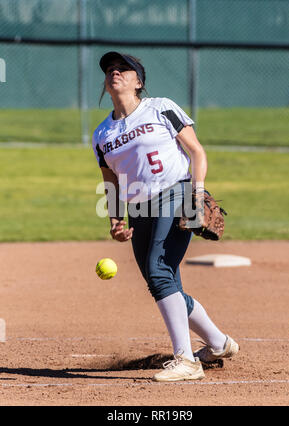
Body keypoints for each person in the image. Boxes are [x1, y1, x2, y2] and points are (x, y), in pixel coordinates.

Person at [93, 51, 239, 382]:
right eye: (110, 70)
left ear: (138, 81)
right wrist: (116, 220)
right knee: (161, 279)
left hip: (175, 192)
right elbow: (111, 182)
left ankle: (186, 360)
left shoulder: (160, 107)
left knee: (158, 270)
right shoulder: (102, 135)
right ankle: (218, 343)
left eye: (123, 69)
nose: (115, 73)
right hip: (138, 209)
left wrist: (198, 192)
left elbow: (197, 151)